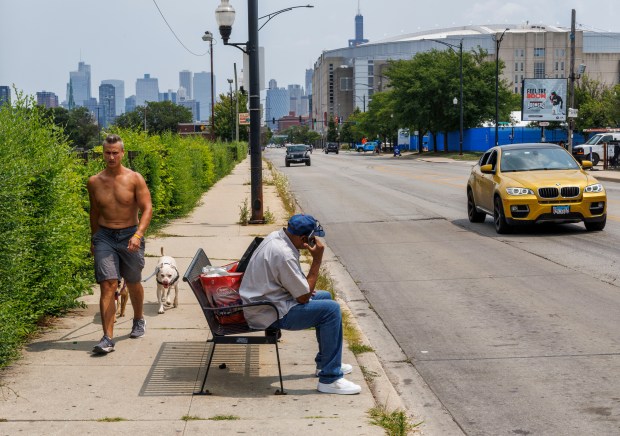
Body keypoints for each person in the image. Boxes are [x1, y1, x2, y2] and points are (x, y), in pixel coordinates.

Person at [239, 215, 361, 395]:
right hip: (267, 312)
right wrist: (317, 260)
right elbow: (303, 297)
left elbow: (296, 286)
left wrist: (302, 289)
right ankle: (330, 379)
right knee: (331, 310)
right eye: (311, 238)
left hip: (267, 302)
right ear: (303, 239)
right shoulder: (284, 254)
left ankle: (325, 364)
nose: (313, 242)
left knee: (325, 296)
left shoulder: (277, 237)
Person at [87, 134, 153, 354]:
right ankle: (107, 338)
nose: (111, 156)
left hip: (130, 235)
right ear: (102, 153)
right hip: (104, 236)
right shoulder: (94, 182)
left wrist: (138, 234)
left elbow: (147, 208)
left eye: (115, 152)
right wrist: (94, 238)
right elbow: (94, 212)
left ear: (122, 153)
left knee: (133, 282)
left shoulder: (135, 178)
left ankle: (138, 319)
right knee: (108, 284)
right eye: (107, 152)